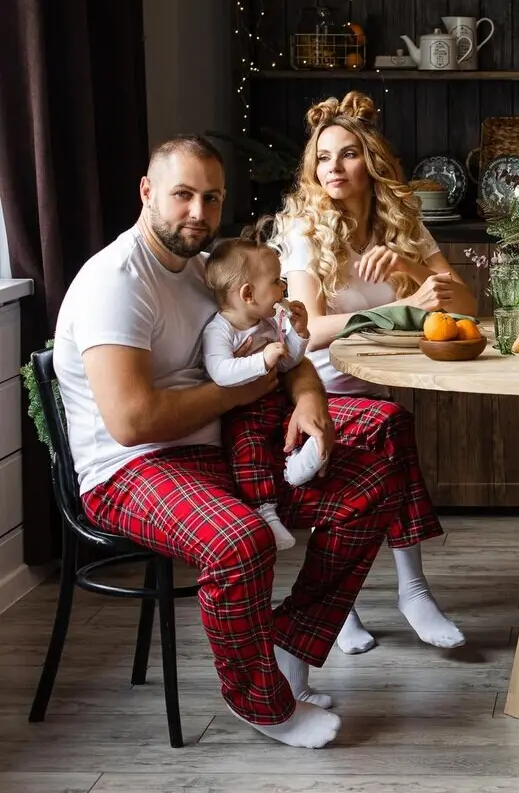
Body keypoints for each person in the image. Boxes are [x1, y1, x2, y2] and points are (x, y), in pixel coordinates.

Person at [53, 135, 405, 748]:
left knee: (372, 482)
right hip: (129, 470)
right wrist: (243, 394)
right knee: (239, 542)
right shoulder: (115, 280)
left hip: (220, 453)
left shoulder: (207, 269)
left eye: (210, 198)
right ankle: (261, 703)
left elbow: (279, 347)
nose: (198, 212)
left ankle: (288, 647)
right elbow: (133, 422)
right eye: (182, 195)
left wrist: (309, 400)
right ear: (147, 192)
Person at [258, 90, 477, 654]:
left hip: (371, 386)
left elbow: (466, 308)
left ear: (371, 162)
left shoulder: (399, 224)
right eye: (324, 156)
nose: (334, 167)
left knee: (386, 430)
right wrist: (396, 310)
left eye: (348, 153)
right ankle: (406, 592)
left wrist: (409, 270)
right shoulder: (304, 232)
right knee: (392, 428)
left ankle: (352, 600)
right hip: (312, 390)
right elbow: (307, 331)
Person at [202, 232, 325, 550]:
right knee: (249, 453)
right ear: (247, 294)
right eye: (276, 282)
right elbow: (221, 373)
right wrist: (261, 360)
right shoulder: (219, 331)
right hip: (242, 413)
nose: (283, 289)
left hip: (275, 403)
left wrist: (298, 335)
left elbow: (287, 365)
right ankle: (266, 513)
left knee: (296, 427)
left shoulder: (269, 322)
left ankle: (298, 464)